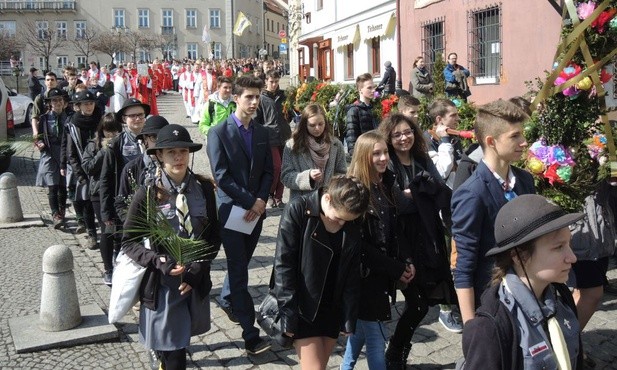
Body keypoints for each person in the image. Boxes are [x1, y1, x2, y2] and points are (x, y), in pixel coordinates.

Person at [122, 124, 221, 370]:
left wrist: (199, 266)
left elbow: (214, 236)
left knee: (180, 342)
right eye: (171, 152)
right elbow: (129, 242)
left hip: (194, 281)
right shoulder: (147, 194)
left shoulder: (205, 189)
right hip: (164, 286)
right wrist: (157, 261)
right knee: (174, 353)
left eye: (183, 151)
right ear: (159, 156)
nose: (178, 157)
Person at [461, 194, 584, 369]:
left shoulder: (562, 298)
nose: (572, 258)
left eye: (569, 244)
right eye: (558, 247)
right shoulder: (490, 328)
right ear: (520, 256)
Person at [375, 113, 456, 368]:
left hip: (426, 236)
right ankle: (394, 353)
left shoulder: (421, 158)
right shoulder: (387, 163)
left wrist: (417, 193)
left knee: (424, 300)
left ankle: (396, 353)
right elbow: (395, 202)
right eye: (397, 134)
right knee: (417, 303)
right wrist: (419, 193)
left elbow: (440, 188)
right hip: (400, 239)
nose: (403, 138)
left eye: (407, 132)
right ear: (389, 137)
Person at [206, 76, 274, 355]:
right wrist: (251, 202)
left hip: (255, 211)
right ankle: (250, 334)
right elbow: (221, 176)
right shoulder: (218, 132)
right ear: (236, 98)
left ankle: (226, 297)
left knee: (242, 263)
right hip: (232, 211)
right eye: (249, 97)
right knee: (239, 271)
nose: (254, 102)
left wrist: (260, 200)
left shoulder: (260, 132)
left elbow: (269, 170)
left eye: (257, 97)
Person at [451, 99, 535, 324]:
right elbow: (465, 265)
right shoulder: (472, 193)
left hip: (528, 292)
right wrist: (471, 326)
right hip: (493, 299)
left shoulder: (524, 181)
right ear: (491, 141)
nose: (524, 142)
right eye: (514, 136)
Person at [274, 175, 369, 370]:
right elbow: (284, 265)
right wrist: (288, 315)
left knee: (321, 366)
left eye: (348, 220)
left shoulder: (351, 219)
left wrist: (348, 317)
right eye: (339, 218)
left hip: (331, 307)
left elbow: (352, 273)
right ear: (327, 199)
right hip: (303, 306)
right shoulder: (298, 209)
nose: (342, 224)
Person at [341, 130, 414, 370]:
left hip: (382, 275)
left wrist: (406, 260)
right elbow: (359, 246)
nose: (384, 158)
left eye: (385, 152)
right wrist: (395, 268)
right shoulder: (355, 191)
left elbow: (397, 229)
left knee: (362, 331)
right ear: (364, 157)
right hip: (363, 279)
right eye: (377, 154)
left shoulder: (387, 184)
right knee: (375, 339)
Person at [100, 98, 150, 261]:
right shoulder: (116, 144)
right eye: (133, 116)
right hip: (126, 199)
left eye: (141, 115)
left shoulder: (152, 139)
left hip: (151, 198)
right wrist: (106, 211)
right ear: (124, 119)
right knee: (127, 240)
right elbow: (106, 178)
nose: (137, 119)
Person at [81, 113, 122, 285]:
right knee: (108, 230)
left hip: (119, 190)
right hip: (99, 193)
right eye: (108, 131)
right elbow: (88, 167)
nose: (111, 135)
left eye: (114, 132)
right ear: (102, 130)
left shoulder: (122, 143)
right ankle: (108, 269)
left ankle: (119, 262)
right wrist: (104, 151)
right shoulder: (93, 144)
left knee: (120, 231)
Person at [281, 103, 347, 201]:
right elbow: (285, 177)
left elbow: (342, 173)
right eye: (312, 125)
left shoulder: (336, 145)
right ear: (304, 124)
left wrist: (330, 185)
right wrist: (308, 177)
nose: (317, 128)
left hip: (329, 202)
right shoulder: (293, 145)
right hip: (302, 203)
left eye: (321, 124)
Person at [66, 90, 103, 249]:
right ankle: (92, 233)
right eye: (86, 104)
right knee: (87, 203)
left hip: (102, 167)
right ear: (78, 106)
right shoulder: (73, 125)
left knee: (103, 202)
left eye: (91, 103)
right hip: (84, 169)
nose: (89, 107)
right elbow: (71, 152)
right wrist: (79, 174)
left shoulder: (101, 120)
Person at [34, 88, 70, 229]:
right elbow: (39, 137)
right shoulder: (44, 118)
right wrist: (39, 142)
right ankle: (55, 214)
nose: (58, 103)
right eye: (54, 100)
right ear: (50, 103)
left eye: (60, 100)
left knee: (62, 186)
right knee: (52, 186)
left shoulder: (69, 117)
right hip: (49, 154)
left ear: (64, 102)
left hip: (65, 154)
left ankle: (62, 212)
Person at [257, 70, 292, 208]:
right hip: (269, 137)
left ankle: (279, 197)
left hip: (284, 136)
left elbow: (289, 115)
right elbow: (257, 120)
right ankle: (270, 194)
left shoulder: (284, 96)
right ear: (266, 81)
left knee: (285, 167)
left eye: (276, 82)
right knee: (276, 167)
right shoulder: (261, 98)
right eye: (271, 81)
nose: (274, 84)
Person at [424, 99, 463, 188]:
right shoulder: (426, 140)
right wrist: (445, 141)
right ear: (439, 119)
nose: (458, 118)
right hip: (441, 196)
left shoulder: (453, 137)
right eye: (453, 115)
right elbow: (441, 173)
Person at [345, 73, 378, 156]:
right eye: (369, 88)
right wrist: (356, 155)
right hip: (363, 154)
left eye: (373, 87)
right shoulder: (354, 110)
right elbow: (351, 136)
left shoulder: (374, 108)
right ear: (360, 90)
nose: (373, 90)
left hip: (375, 151)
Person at [32, 72, 58, 138]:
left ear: (56, 82)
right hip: (44, 129)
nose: (50, 82)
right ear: (45, 82)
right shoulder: (40, 98)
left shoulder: (61, 97)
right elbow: (35, 117)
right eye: (48, 80)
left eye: (52, 80)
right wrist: (36, 133)